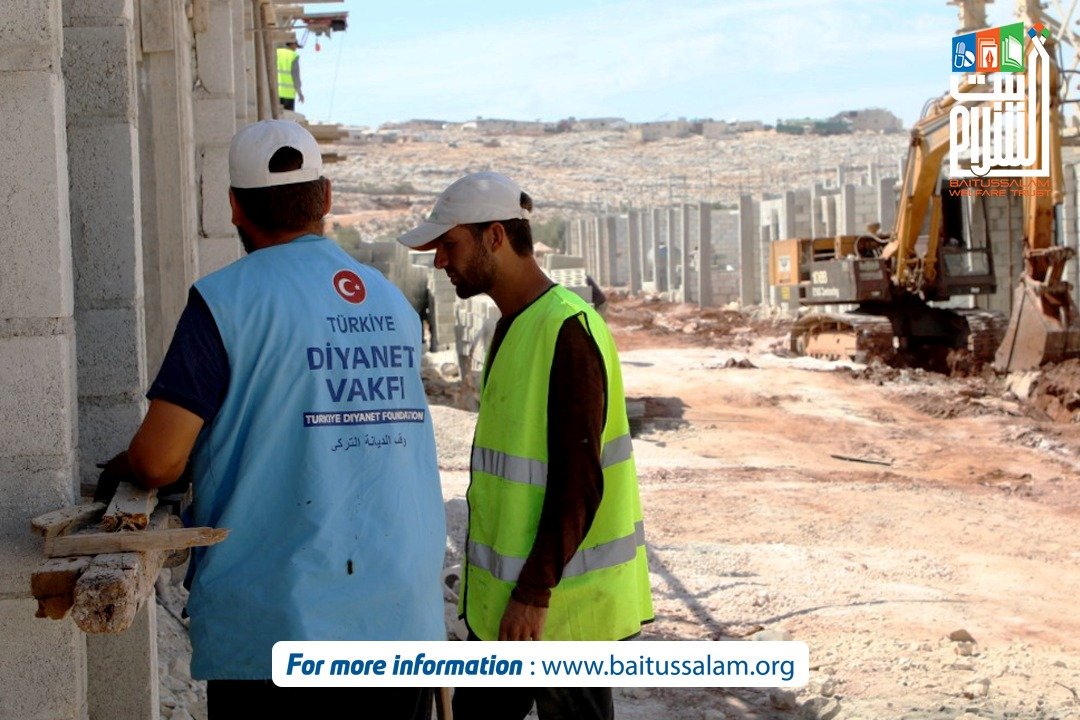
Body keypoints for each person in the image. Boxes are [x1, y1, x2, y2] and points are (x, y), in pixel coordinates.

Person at [97, 119, 445, 718]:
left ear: (233, 206)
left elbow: (158, 460)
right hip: (397, 618)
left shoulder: (223, 301)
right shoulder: (389, 300)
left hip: (282, 627)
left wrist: (122, 467)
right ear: (326, 197)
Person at [397, 172, 654, 720]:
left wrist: (533, 594)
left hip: (558, 616)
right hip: (511, 616)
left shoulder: (566, 329)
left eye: (449, 244)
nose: (440, 261)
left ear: (495, 236)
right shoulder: (516, 325)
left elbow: (579, 480)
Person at [276, 40, 304, 110]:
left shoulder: (277, 52)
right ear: (292, 44)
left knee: (275, 119)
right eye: (296, 46)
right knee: (287, 118)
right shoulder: (293, 56)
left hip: (275, 91)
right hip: (288, 94)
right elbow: (296, 76)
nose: (296, 48)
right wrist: (299, 93)